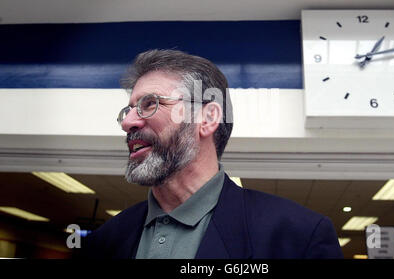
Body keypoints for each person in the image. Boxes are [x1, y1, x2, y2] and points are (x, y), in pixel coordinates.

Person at [79, 49, 343, 259]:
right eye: (129, 110)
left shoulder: (297, 236)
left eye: (150, 104)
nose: (128, 122)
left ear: (207, 118)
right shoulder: (104, 242)